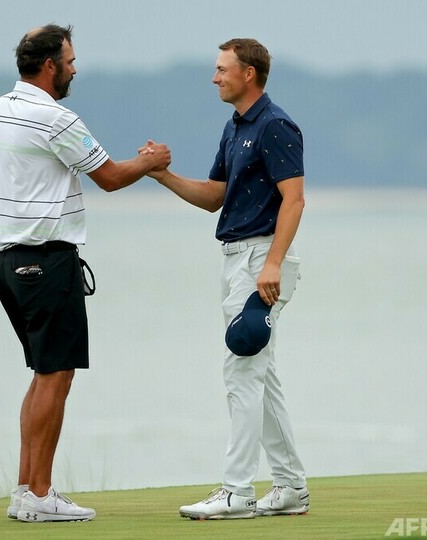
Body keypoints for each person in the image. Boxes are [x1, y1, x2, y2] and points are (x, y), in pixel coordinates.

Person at [0, 24, 170, 523]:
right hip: (47, 263)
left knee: (42, 374)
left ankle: (24, 492)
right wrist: (151, 161)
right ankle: (39, 494)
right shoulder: (56, 118)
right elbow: (110, 178)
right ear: (50, 65)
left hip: (6, 264)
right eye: (71, 61)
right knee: (56, 375)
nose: (75, 69)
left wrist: (14, 231)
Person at [143, 38, 309, 520]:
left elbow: (294, 199)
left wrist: (272, 264)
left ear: (248, 74)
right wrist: (162, 175)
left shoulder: (275, 125)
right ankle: (291, 487)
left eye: (222, 69)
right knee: (261, 374)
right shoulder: (235, 127)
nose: (214, 77)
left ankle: (237, 492)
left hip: (262, 259)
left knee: (241, 369)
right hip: (236, 258)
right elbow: (214, 195)